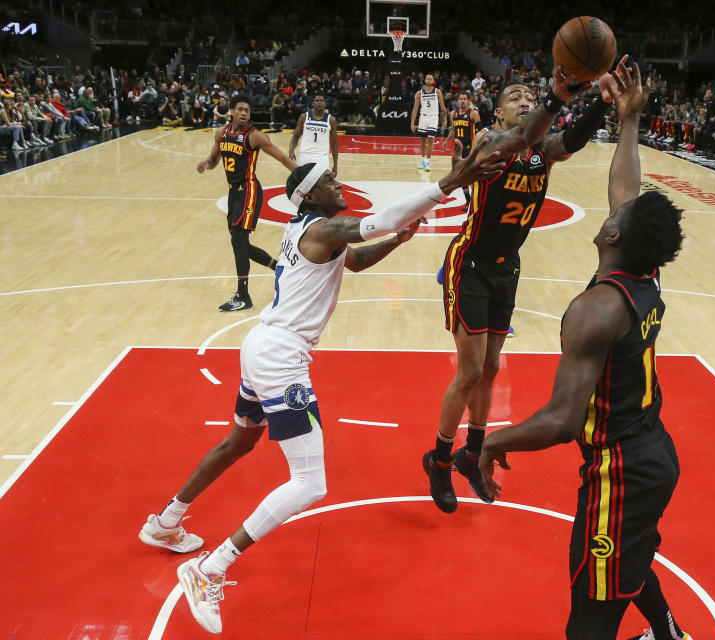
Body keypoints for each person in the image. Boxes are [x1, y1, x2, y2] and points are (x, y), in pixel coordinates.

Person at [140, 138, 505, 635]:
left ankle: (166, 521)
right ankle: (209, 568)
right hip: (282, 357)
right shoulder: (326, 225)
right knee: (311, 483)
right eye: (331, 181)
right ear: (312, 196)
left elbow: (351, 261)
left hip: (259, 346)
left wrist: (394, 246)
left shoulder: (308, 232)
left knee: (239, 442)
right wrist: (450, 184)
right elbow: (382, 220)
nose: (340, 184)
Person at [478, 59, 691, 640]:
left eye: (615, 215)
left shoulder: (595, 310)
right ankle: (668, 633)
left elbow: (562, 419)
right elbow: (627, 190)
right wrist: (629, 121)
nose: (611, 208)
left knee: (589, 618)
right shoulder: (642, 274)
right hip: (653, 449)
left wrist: (493, 440)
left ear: (615, 235)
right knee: (631, 556)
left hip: (619, 468)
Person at [422, 57, 617, 513]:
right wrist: (556, 95)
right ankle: (440, 457)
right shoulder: (489, 141)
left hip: (506, 267)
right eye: (516, 98)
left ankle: (473, 450)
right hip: (468, 263)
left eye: (530, 98)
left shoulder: (543, 150)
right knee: (469, 371)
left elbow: (570, 139)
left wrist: (602, 101)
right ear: (499, 113)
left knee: (491, 368)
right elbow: (527, 135)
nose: (525, 101)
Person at [196, 95, 298, 312]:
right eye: (240, 109)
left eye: (247, 111)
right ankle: (280, 268)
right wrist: (206, 163)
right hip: (234, 193)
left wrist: (303, 175)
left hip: (249, 190)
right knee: (239, 243)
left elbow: (281, 157)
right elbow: (215, 161)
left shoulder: (254, 136)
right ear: (231, 111)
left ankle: (243, 295)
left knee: (239, 239)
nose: (244, 113)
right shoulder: (221, 134)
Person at [288, 94, 339, 174]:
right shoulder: (304, 117)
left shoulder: (331, 120)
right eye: (317, 101)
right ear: (312, 103)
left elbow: (334, 143)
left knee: (322, 184)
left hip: (322, 156)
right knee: (302, 183)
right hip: (305, 155)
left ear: (325, 104)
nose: (319, 103)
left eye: (322, 101)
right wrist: (291, 151)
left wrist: (335, 165)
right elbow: (296, 136)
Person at [447, 91, 481, 208]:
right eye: (460, 98)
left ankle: (477, 199)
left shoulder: (473, 113)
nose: (462, 100)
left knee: (472, 176)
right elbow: (453, 130)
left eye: (464, 99)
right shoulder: (453, 114)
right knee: (461, 176)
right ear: (457, 101)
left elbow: (480, 132)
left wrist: (477, 148)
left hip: (470, 148)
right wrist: (447, 140)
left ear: (468, 101)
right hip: (458, 150)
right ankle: (468, 201)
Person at [410, 74, 446, 171]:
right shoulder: (419, 93)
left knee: (430, 139)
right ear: (425, 80)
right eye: (427, 79)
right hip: (423, 117)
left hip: (434, 117)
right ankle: (422, 160)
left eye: (431, 79)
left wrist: (445, 120)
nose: (429, 80)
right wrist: (412, 123)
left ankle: (427, 161)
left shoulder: (437, 92)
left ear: (433, 81)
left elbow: (443, 108)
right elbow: (415, 109)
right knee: (422, 140)